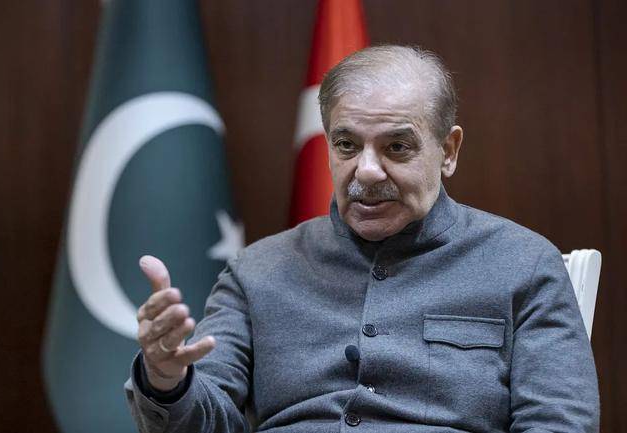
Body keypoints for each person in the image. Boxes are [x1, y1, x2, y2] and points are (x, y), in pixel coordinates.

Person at [125, 45, 599, 433]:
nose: (367, 171)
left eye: (397, 146)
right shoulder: (256, 271)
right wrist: (167, 380)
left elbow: (558, 424)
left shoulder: (524, 264)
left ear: (448, 150)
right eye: (347, 145)